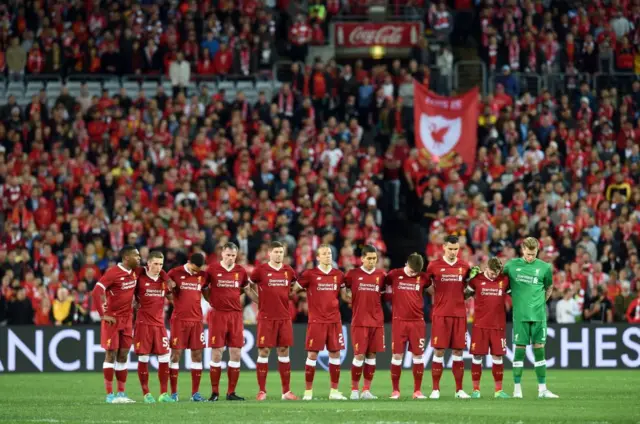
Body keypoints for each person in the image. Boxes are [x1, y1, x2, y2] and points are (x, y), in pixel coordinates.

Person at [502, 237, 558, 398]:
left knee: (539, 349)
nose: (530, 257)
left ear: (537, 251)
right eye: (528, 254)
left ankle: (542, 390)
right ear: (522, 250)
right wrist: (511, 294)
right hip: (520, 316)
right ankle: (517, 389)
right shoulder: (511, 265)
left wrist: (540, 302)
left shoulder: (545, 267)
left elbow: (549, 286)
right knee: (519, 351)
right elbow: (500, 282)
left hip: (539, 316)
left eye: (533, 254)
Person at [204, 242, 258, 402]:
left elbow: (247, 290)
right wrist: (211, 301)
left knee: (236, 352)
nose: (230, 258)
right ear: (222, 253)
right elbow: (204, 289)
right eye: (228, 255)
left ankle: (231, 392)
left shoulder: (240, 271)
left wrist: (262, 302)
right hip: (218, 315)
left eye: (233, 256)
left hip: (235, 315)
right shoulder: (212, 269)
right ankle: (214, 392)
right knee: (217, 352)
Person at [249, 241, 300, 401]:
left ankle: (286, 392)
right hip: (266, 318)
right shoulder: (261, 270)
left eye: (281, 252)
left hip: (284, 317)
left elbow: (293, 288)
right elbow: (247, 286)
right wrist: (258, 301)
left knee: (284, 351)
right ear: (269, 253)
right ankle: (262, 391)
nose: (279, 254)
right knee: (264, 352)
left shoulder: (288, 271)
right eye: (276, 252)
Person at [91, 245, 141, 404]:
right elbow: (96, 292)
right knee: (111, 354)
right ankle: (109, 394)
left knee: (123, 354)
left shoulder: (134, 272)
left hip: (127, 320)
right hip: (112, 320)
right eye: (137, 256)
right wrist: (103, 315)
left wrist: (136, 302)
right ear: (127, 258)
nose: (139, 258)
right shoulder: (113, 272)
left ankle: (121, 394)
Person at [298, 244, 348, 401]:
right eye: (324, 253)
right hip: (317, 321)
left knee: (335, 353)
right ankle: (308, 392)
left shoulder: (339, 275)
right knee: (312, 354)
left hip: (334, 320)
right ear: (318, 257)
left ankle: (334, 391)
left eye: (330, 253)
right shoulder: (310, 274)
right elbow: (293, 290)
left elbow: (345, 296)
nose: (328, 256)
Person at [425, 234, 472, 399]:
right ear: (443, 247)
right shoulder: (434, 265)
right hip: (441, 314)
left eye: (456, 249)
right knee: (439, 351)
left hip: (459, 314)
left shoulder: (465, 266)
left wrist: (467, 293)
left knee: (458, 351)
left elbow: (467, 291)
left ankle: (459, 390)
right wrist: (438, 296)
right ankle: (435, 389)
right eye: (450, 249)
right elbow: (425, 284)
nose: (453, 252)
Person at [385, 252, 431, 400]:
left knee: (418, 355)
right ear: (407, 264)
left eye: (416, 272)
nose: (413, 274)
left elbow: (431, 289)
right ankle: (395, 391)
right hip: (399, 321)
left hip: (417, 322)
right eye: (412, 271)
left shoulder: (423, 277)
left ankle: (417, 391)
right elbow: (383, 288)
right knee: (397, 355)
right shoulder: (394, 275)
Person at [344, 245, 387, 400]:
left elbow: (383, 295)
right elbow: (343, 288)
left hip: (376, 321)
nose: (372, 261)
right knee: (359, 355)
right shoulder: (352, 274)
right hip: (360, 321)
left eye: (374, 258)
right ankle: (354, 390)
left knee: (372, 355)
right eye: (369, 258)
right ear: (362, 258)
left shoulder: (381, 275)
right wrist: (348, 297)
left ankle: (366, 390)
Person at [465, 257, 510, 399]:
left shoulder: (504, 280)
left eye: (496, 273)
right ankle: (476, 390)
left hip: (498, 326)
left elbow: (513, 295)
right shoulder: (476, 279)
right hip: (480, 325)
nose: (493, 275)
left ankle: (498, 390)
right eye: (491, 272)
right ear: (486, 268)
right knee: (477, 356)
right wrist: (467, 281)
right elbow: (464, 295)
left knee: (498, 357)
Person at [133, 251, 175, 403]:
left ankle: (164, 394)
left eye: (161, 264)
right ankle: (146, 393)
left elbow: (172, 298)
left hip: (159, 325)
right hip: (143, 325)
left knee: (164, 358)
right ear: (148, 263)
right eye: (155, 264)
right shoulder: (140, 277)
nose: (158, 267)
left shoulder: (164, 281)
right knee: (143, 358)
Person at [167, 252, 209, 402]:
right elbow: (166, 290)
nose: (196, 271)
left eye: (199, 269)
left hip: (197, 320)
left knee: (197, 355)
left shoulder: (202, 275)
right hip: (179, 320)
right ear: (189, 262)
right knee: (175, 354)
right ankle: (173, 393)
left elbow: (206, 292)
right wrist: (176, 303)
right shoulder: (175, 273)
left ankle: (195, 393)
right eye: (194, 268)